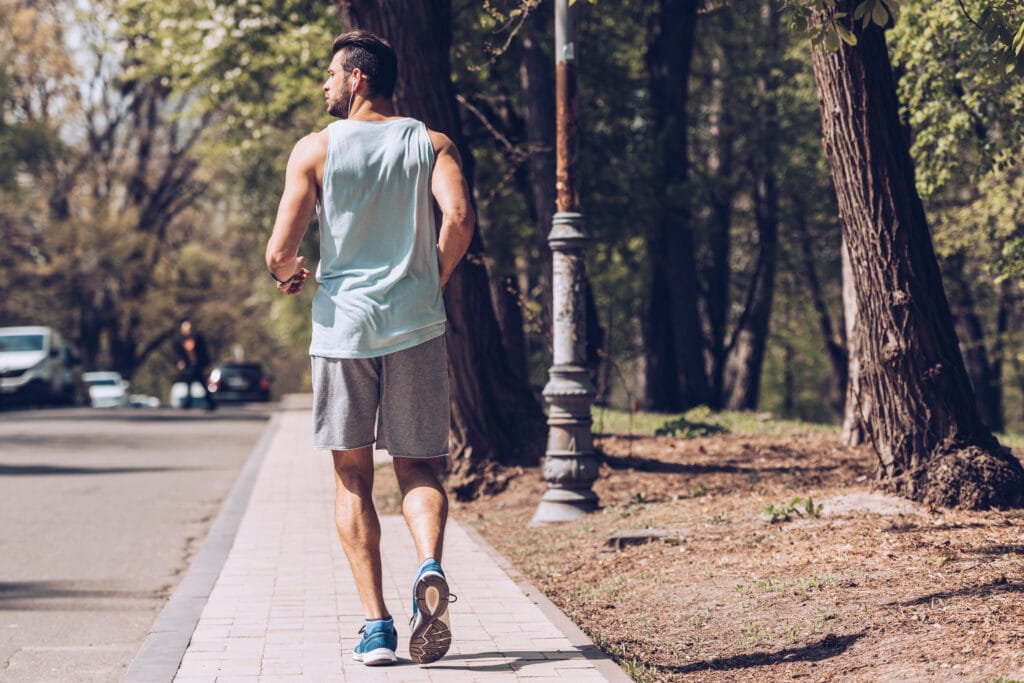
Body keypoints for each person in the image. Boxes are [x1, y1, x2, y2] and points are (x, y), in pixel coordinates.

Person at [264, 30, 474, 667]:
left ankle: (377, 627)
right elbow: (459, 219)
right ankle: (430, 566)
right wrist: (428, 281)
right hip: (416, 327)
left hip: (343, 331)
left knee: (353, 475)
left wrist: (288, 275)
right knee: (418, 467)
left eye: (331, 74)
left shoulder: (316, 150)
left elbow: (278, 252)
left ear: (357, 78)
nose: (325, 85)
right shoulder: (431, 143)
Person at [175, 319, 216, 411]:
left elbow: (204, 353)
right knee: (192, 383)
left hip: (198, 365)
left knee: (192, 382)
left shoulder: (198, 338)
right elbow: (181, 354)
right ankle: (209, 403)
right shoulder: (182, 340)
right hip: (190, 365)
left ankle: (190, 403)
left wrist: (207, 366)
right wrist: (181, 362)